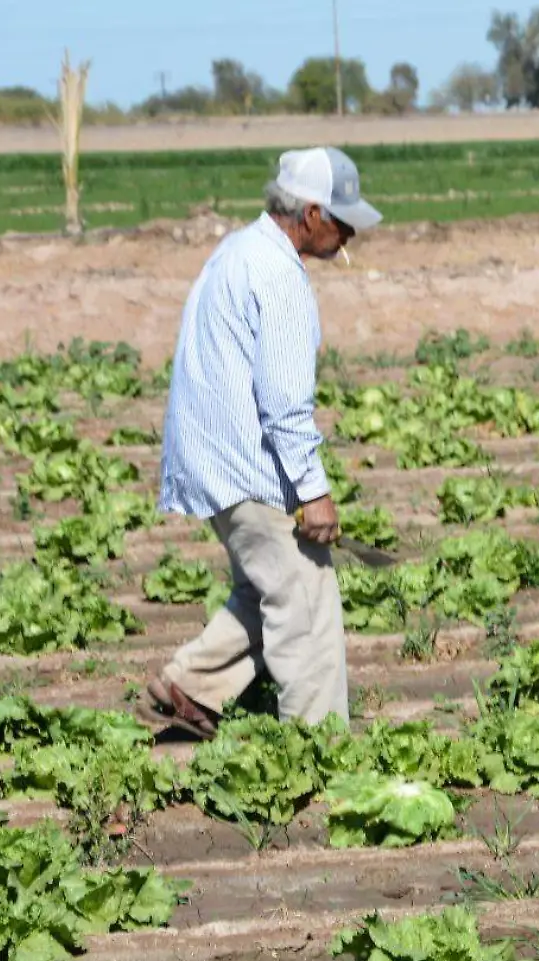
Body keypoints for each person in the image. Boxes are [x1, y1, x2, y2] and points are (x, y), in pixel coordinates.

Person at [139, 146, 382, 741]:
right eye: (343, 219)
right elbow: (283, 398)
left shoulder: (238, 249)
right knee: (304, 599)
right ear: (312, 212)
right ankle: (317, 751)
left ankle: (190, 688)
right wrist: (313, 489)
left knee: (266, 584)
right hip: (246, 464)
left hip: (212, 460)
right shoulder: (278, 276)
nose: (351, 232)